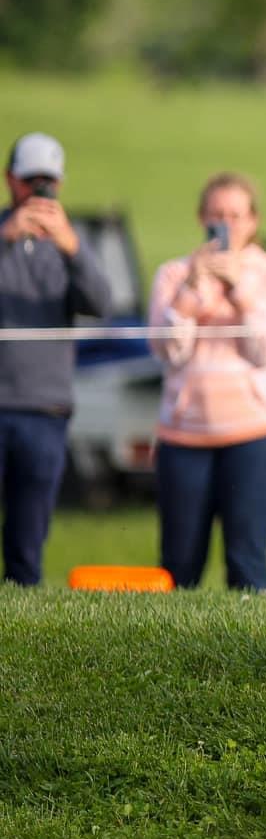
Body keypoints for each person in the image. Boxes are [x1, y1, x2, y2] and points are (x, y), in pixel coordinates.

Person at [147, 173, 266, 590]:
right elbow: (167, 351)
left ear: (252, 221)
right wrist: (191, 291)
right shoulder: (172, 274)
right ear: (202, 217)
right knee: (179, 559)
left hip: (259, 431)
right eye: (217, 215)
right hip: (184, 433)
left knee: (246, 553)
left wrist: (242, 291)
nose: (226, 224)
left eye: (235, 215)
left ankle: (249, 646)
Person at [0, 132, 113, 585]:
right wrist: (5, 237)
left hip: (44, 408)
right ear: (11, 181)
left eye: (48, 183)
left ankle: (22, 614)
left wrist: (71, 247)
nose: (39, 192)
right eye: (31, 182)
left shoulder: (71, 246)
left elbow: (102, 303)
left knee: (28, 534)